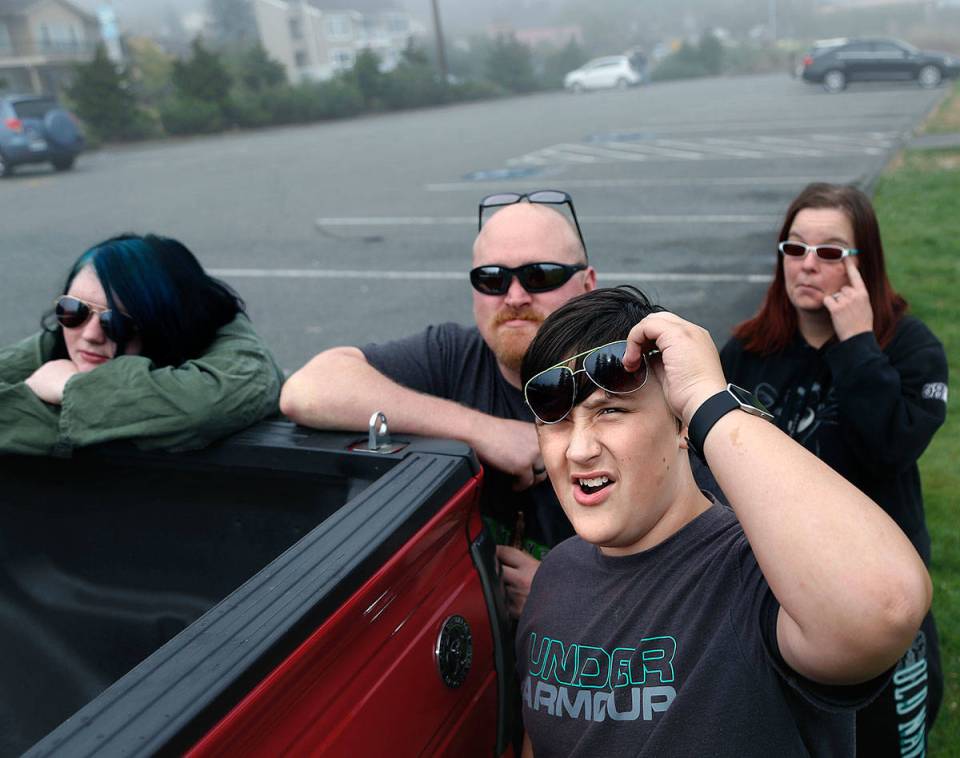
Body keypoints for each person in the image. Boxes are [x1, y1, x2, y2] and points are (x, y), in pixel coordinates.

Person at [516, 286, 933, 757]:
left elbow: (884, 607)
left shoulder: (758, 573)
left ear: (679, 425)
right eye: (558, 422)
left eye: (611, 410)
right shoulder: (556, 574)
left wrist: (707, 400)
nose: (578, 449)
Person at [280, 191, 596, 617]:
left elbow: (698, 566)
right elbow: (307, 390)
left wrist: (563, 594)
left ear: (588, 284)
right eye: (492, 278)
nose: (515, 296)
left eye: (539, 276)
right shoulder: (454, 355)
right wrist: (481, 431)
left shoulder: (627, 378)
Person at [720, 183, 946, 756]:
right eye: (795, 249)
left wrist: (856, 345)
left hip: (874, 589)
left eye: (830, 252)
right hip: (770, 587)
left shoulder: (911, 349)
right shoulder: (747, 351)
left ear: (863, 263)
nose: (808, 266)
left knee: (881, 741)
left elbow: (890, 447)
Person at [0, 233, 283, 456]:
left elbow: (199, 409)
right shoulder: (61, 338)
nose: (90, 335)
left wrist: (67, 387)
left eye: (117, 324)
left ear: (166, 327)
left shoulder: (241, 360)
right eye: (73, 310)